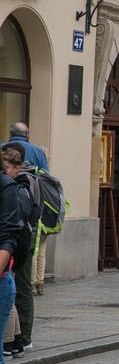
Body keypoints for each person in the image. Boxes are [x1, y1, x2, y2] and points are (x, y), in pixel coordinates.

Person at [0, 147, 26, 360]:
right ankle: (17, 340)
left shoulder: (8, 186)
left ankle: (14, 341)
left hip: (5, 269)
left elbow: (9, 236)